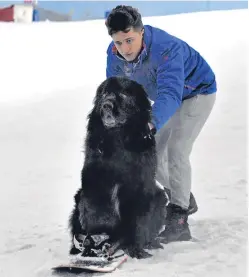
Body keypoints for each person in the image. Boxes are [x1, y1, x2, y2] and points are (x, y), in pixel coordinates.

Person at [105, 5, 216, 243]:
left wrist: (149, 123)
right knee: (147, 154)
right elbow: (116, 93)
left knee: (177, 150)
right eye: (118, 42)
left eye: (129, 40)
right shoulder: (114, 54)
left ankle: (179, 218)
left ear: (141, 32)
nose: (124, 49)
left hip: (198, 94)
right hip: (167, 99)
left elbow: (170, 95)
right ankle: (183, 196)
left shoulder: (167, 49)